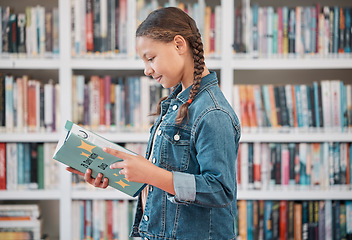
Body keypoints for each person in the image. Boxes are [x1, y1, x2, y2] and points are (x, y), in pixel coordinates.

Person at [67, 7, 241, 240]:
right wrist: (109, 172)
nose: (147, 70)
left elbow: (220, 191)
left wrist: (151, 174)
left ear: (179, 45)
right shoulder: (175, 103)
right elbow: (166, 181)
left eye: (151, 58)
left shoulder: (213, 112)